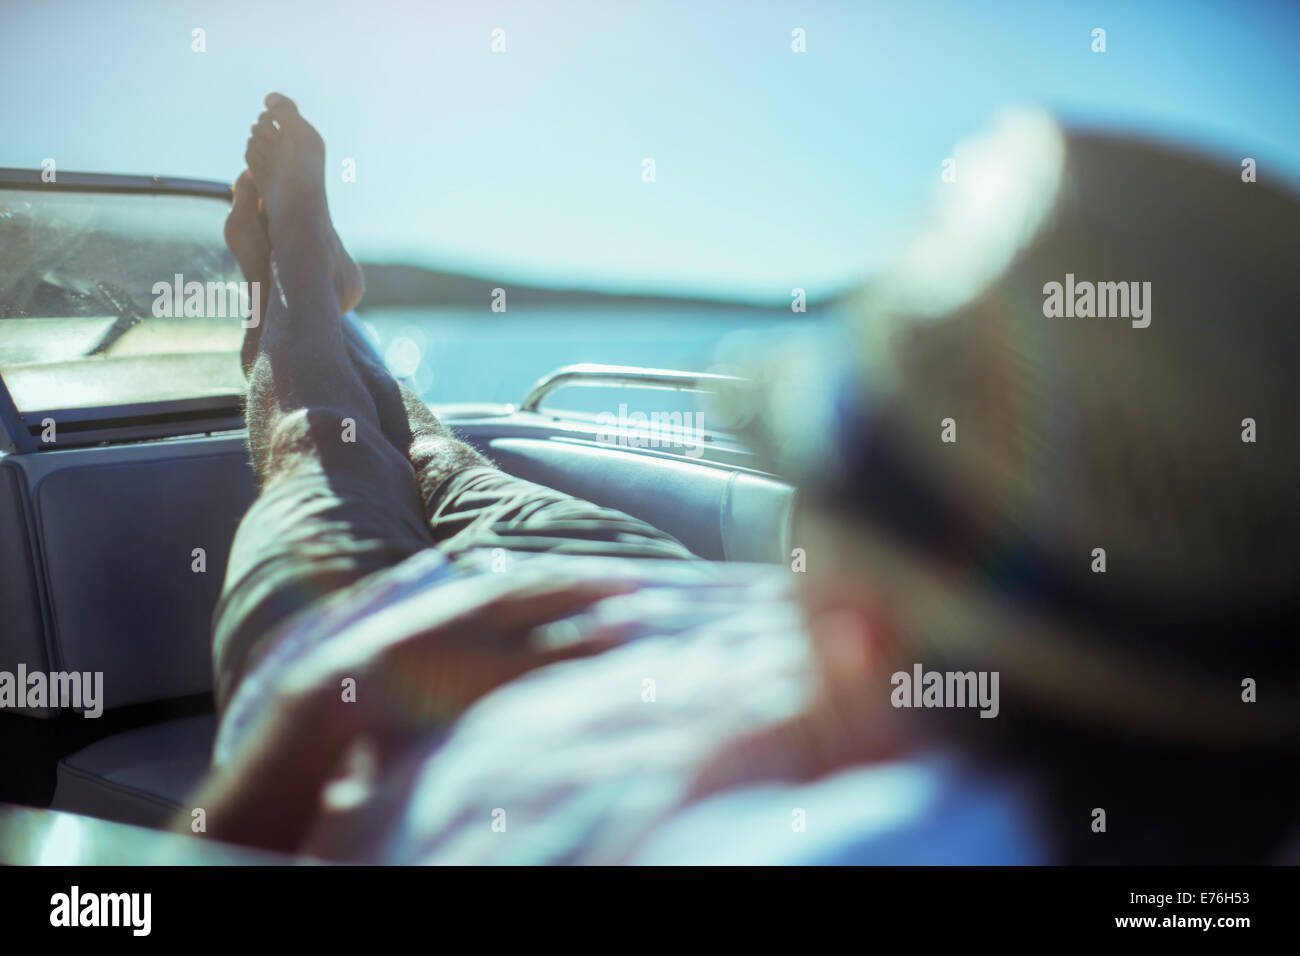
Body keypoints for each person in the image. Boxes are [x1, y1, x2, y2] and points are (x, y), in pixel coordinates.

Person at [189, 97, 1300, 864]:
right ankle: (335, 315)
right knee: (440, 461)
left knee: (320, 449)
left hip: (395, 667)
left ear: (863, 615)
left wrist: (304, 721)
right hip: (654, 600)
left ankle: (294, 292)